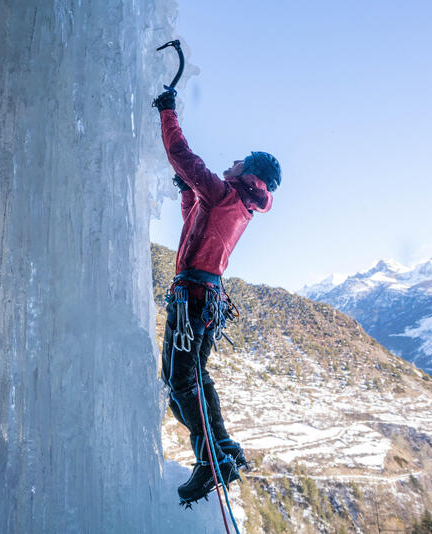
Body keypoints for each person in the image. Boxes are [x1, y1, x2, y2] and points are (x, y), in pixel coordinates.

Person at [153, 88, 281, 505]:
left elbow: (182, 155)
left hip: (192, 298)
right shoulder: (236, 203)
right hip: (204, 298)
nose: (233, 161)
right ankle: (222, 448)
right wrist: (187, 192)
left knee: (179, 381)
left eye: (240, 160)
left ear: (248, 172)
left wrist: (167, 111)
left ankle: (211, 458)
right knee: (194, 378)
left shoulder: (225, 193)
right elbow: (197, 221)